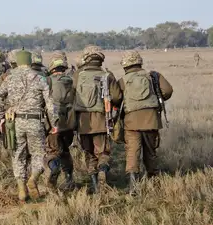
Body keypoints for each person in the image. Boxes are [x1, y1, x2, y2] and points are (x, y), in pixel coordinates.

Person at [0, 50, 58, 202]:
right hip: (35, 122)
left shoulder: (9, 78)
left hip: (15, 123)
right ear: (30, 61)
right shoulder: (40, 78)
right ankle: (33, 178)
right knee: (38, 154)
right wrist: (54, 122)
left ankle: (21, 188)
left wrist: (2, 116)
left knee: (18, 155)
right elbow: (50, 104)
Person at [118, 50, 173, 194]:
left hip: (131, 122)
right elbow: (167, 91)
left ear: (125, 65)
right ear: (139, 62)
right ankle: (153, 181)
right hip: (151, 120)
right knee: (150, 150)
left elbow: (116, 98)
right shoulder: (153, 76)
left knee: (132, 151)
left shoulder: (123, 80)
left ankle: (133, 185)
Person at [72, 45, 122, 193]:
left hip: (83, 122)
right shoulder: (107, 74)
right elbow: (117, 97)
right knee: (103, 153)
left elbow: (71, 96)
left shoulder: (78, 75)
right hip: (102, 120)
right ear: (101, 58)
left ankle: (94, 184)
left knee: (89, 153)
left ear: (86, 58)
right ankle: (102, 172)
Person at [44, 52, 75, 192]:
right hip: (69, 123)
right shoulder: (71, 80)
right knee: (65, 151)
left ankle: (54, 168)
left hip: (53, 122)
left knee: (52, 151)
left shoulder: (48, 81)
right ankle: (69, 180)